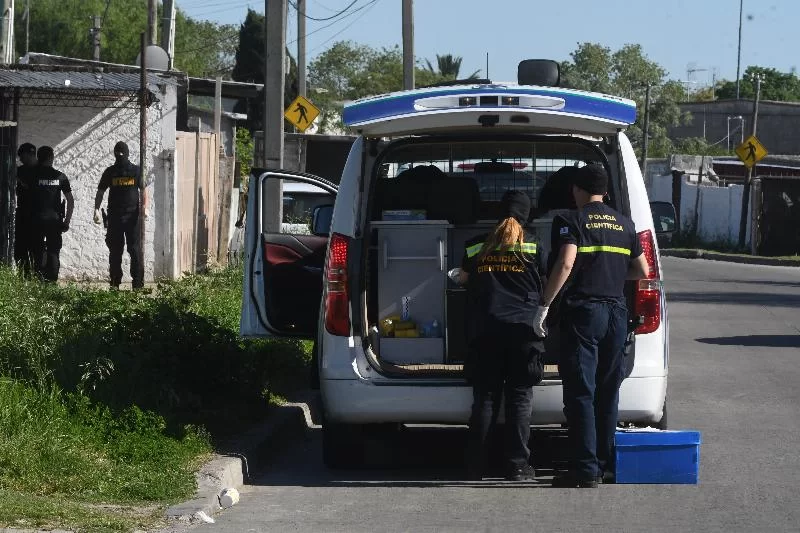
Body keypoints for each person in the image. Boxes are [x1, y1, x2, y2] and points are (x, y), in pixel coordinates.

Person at [533, 164, 649, 488]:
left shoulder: (572, 220)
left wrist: (544, 304)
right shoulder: (625, 224)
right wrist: (609, 273)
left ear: (576, 190)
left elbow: (566, 262)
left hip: (585, 313)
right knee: (608, 392)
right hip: (616, 313)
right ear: (607, 192)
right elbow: (641, 269)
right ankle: (603, 464)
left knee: (581, 392)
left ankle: (584, 470)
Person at [458, 189, 545, 481]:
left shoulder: (475, 246)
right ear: (527, 214)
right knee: (520, 397)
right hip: (523, 331)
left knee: (486, 398)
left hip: (486, 330)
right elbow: (547, 282)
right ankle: (518, 466)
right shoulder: (535, 245)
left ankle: (474, 466)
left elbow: (464, 278)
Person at [94, 141, 146, 289]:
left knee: (134, 250)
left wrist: (144, 208)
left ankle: (137, 284)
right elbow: (100, 192)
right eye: (118, 153)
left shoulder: (136, 171)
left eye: (122, 153)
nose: (120, 156)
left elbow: (143, 190)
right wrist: (96, 209)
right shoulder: (110, 172)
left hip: (133, 217)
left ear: (127, 154)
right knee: (115, 251)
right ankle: (115, 282)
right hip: (114, 217)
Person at [29, 146, 73, 282]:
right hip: (54, 221)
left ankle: (38, 280)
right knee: (54, 251)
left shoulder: (32, 175)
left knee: (37, 250)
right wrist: (67, 221)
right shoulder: (60, 176)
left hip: (36, 219)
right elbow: (70, 200)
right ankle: (52, 281)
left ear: (38, 157)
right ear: (51, 158)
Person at [14, 143, 38, 276]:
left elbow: (32, 188)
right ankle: (24, 274)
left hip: (37, 213)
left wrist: (18, 179)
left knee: (36, 246)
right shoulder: (21, 170)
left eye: (22, 156)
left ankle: (35, 275)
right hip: (23, 212)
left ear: (29, 154)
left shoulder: (41, 170)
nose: (20, 159)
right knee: (20, 246)